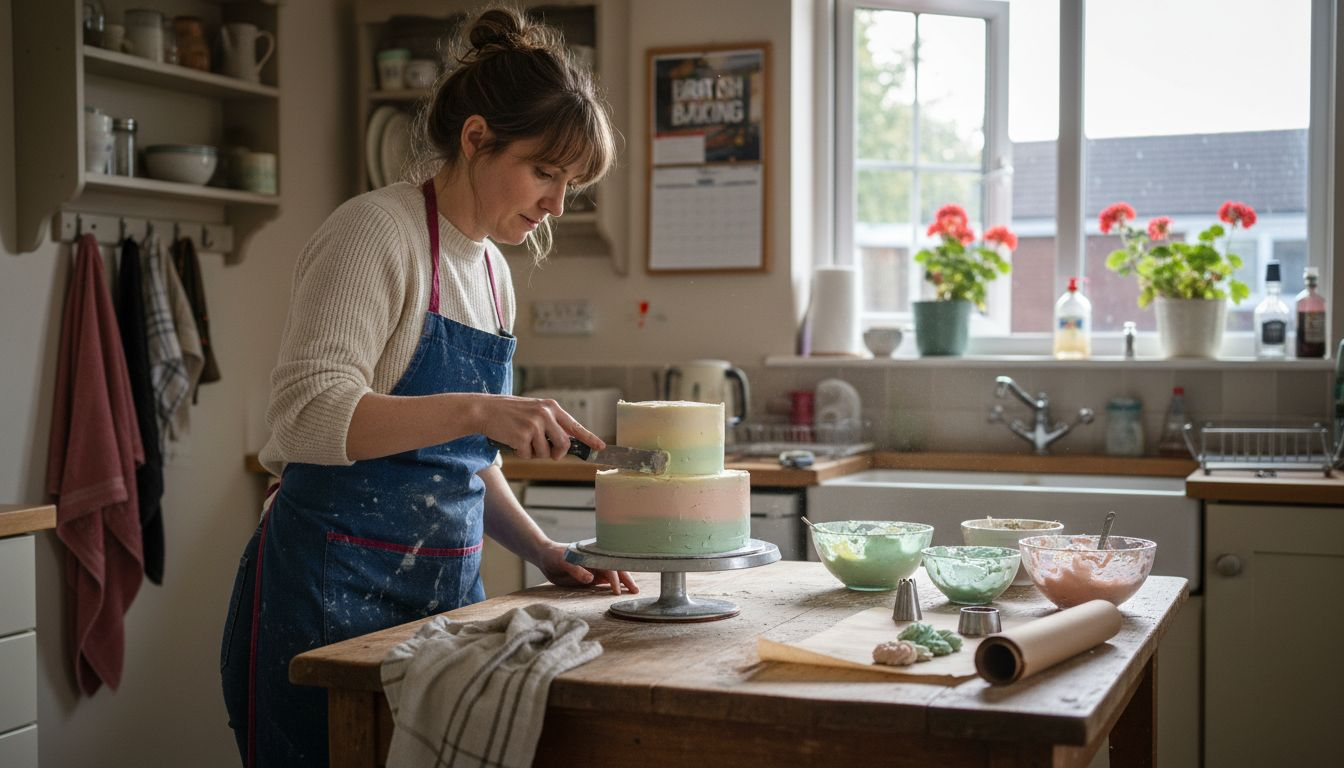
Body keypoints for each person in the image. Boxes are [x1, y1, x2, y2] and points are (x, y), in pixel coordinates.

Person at [219, 8, 636, 765]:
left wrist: (542, 549)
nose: (557, 204)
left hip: (445, 605)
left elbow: (470, 458)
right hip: (324, 596)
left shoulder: (493, 273)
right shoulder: (375, 234)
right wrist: (481, 408)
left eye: (571, 183)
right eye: (546, 171)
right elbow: (309, 413)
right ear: (476, 139)